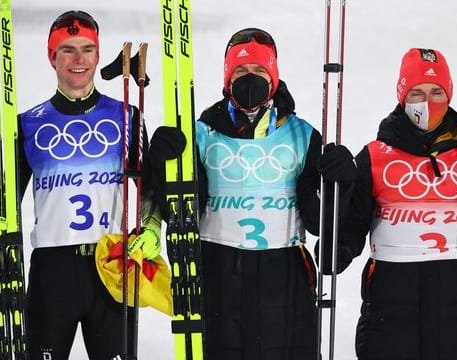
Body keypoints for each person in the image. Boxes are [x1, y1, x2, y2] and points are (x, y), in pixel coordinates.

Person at [149, 28, 355, 360]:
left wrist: (343, 184)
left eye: (260, 71)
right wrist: (161, 166)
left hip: (283, 273)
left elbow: (319, 222)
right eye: (241, 72)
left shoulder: (302, 135)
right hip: (219, 268)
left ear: (274, 78)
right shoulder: (201, 132)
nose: (250, 79)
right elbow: (185, 213)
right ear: (227, 79)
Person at [325, 48, 457, 359]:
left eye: (436, 91)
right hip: (390, 322)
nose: (427, 102)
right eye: (416, 92)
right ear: (402, 96)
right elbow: (341, 244)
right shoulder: (376, 157)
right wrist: (338, 198)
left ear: (449, 94)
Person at [0, 10, 162, 359]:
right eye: (67, 49)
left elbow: (149, 189)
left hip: (110, 264)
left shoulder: (127, 115)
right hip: (53, 270)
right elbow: (9, 200)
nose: (78, 59)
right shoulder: (29, 124)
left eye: (87, 49)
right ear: (52, 58)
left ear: (98, 56)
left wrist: (152, 228)